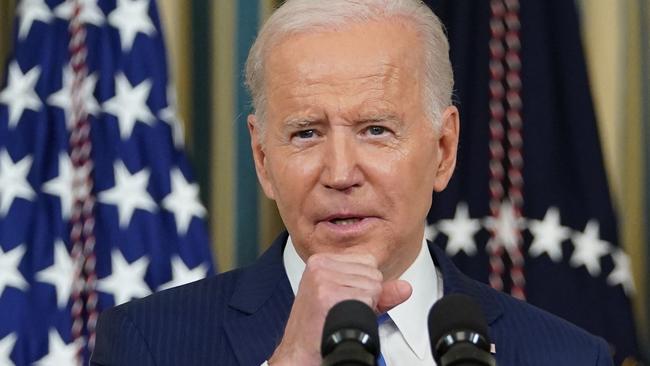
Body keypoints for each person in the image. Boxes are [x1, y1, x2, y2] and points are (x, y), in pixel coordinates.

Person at [91, 0, 613, 365]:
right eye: (306, 133)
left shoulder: (567, 355)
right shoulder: (148, 344)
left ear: (443, 149)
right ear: (263, 158)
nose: (340, 174)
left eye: (376, 130)